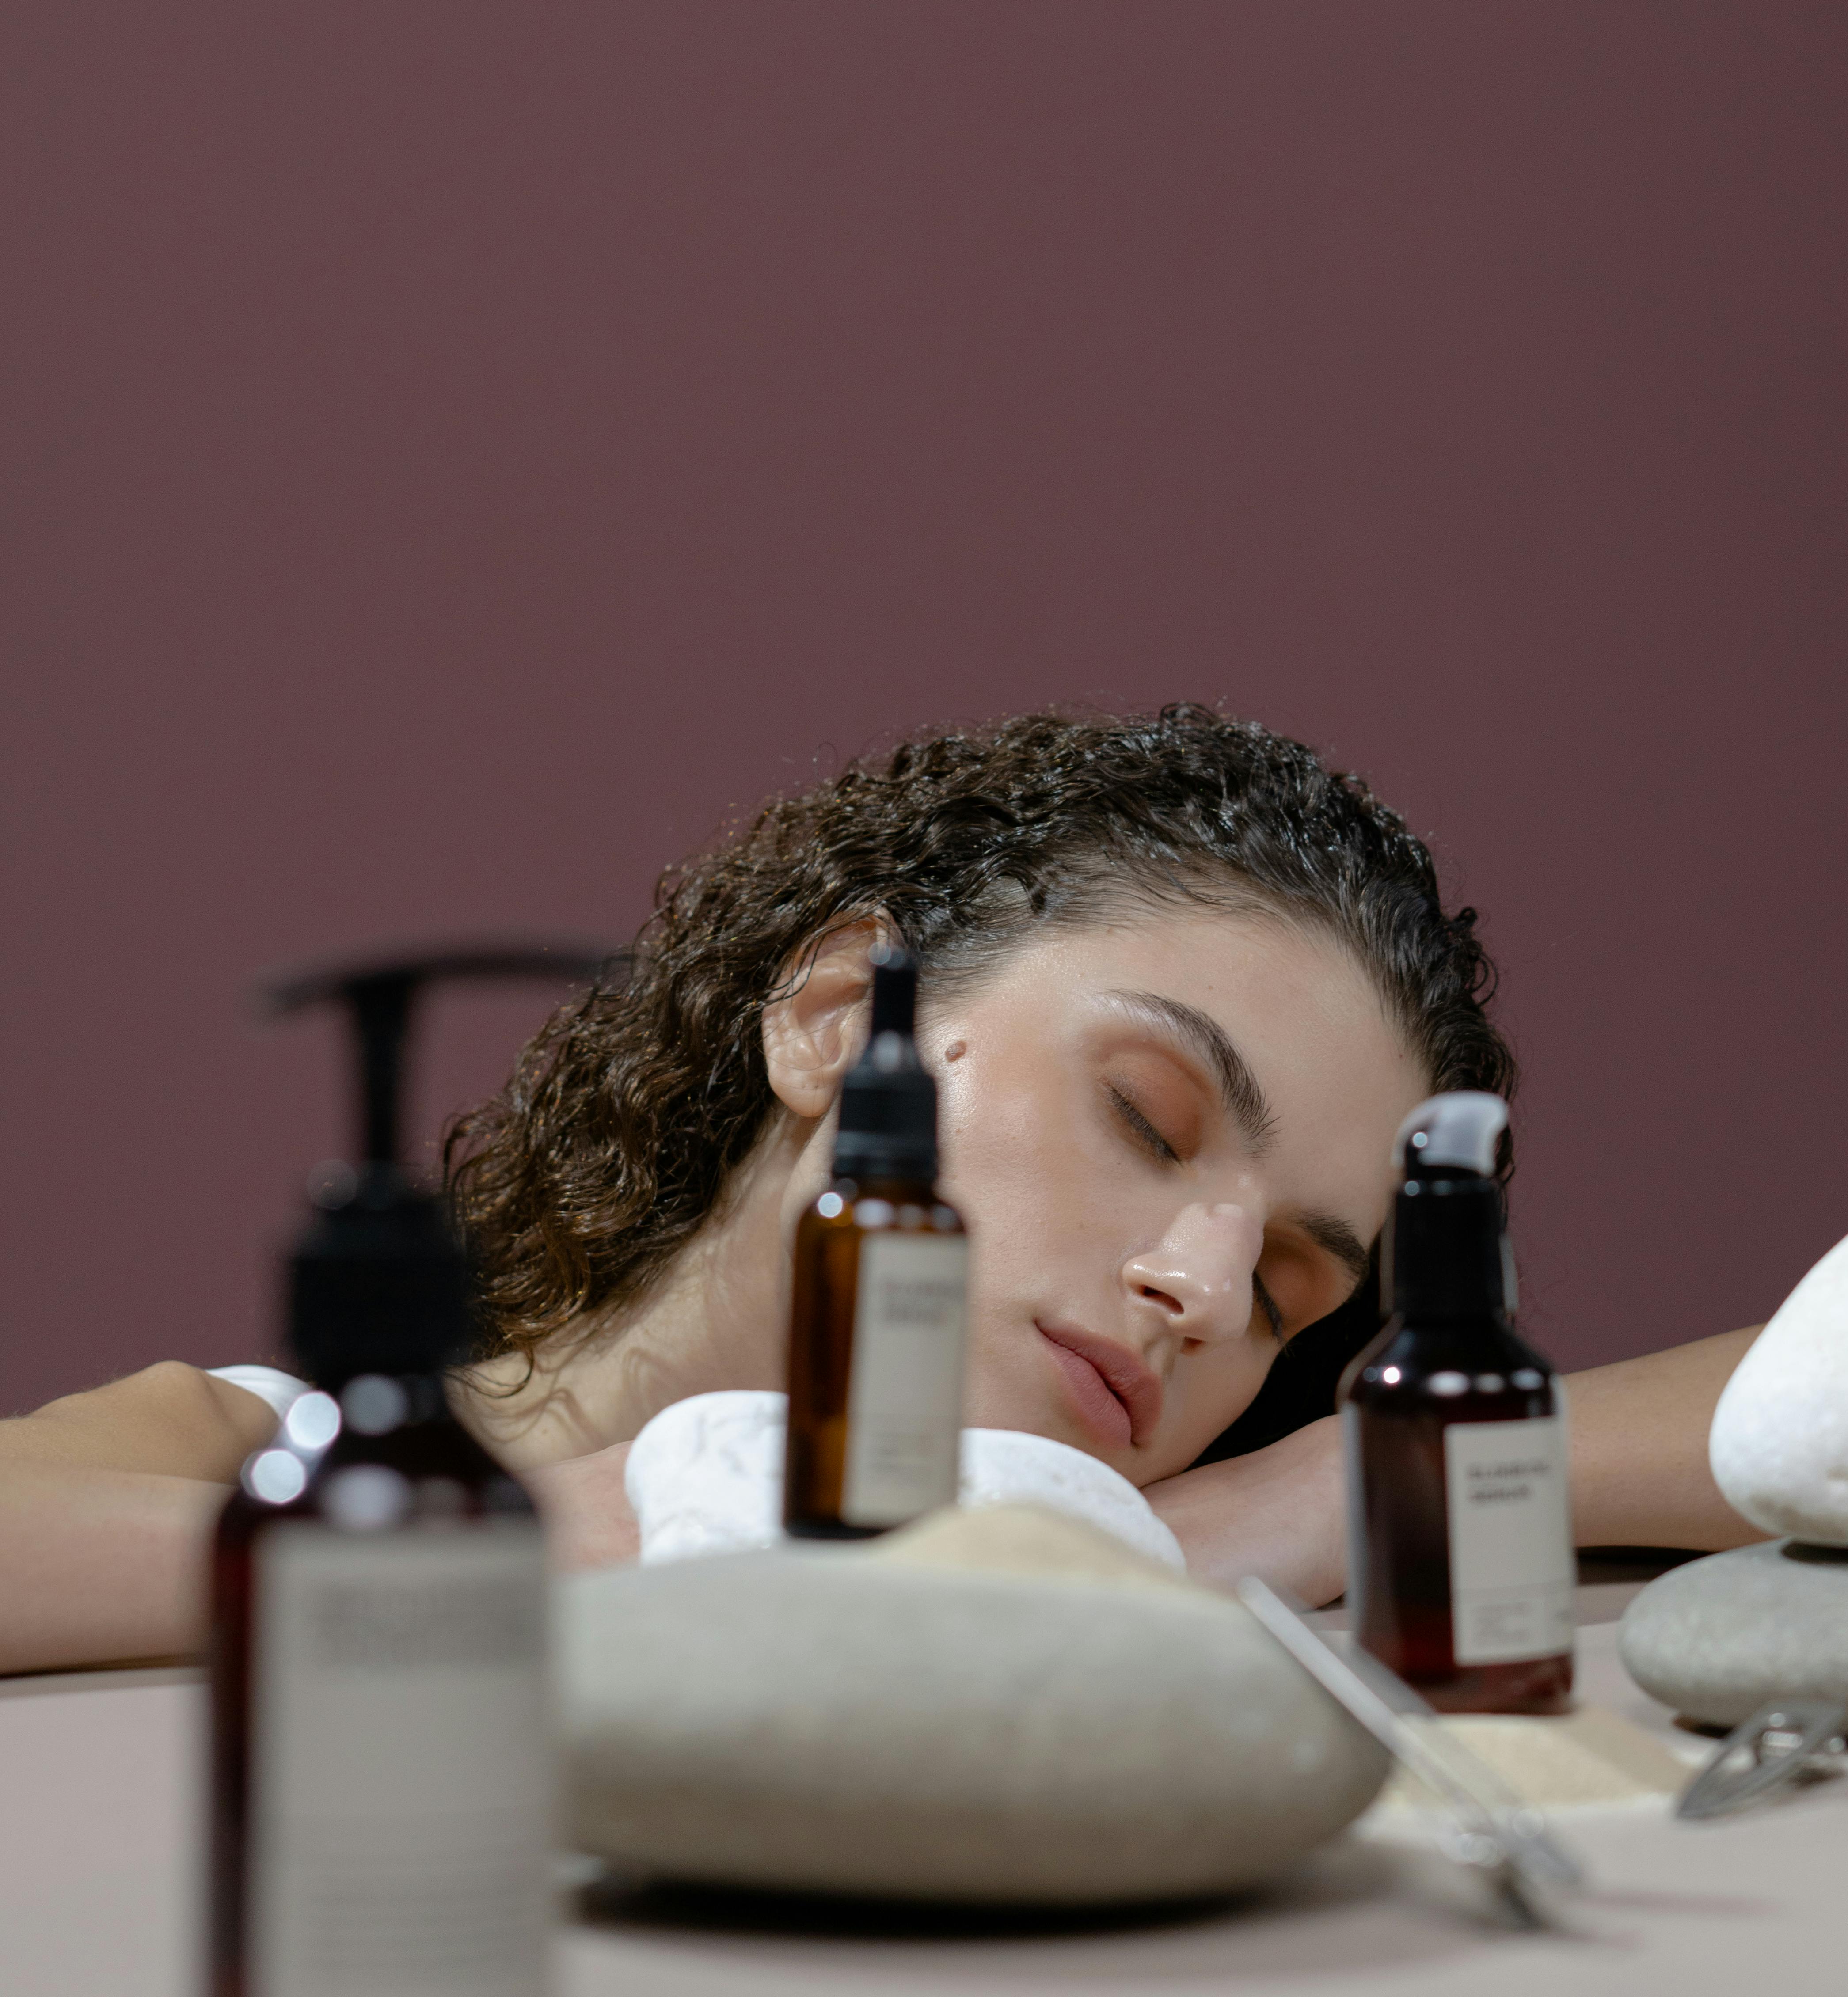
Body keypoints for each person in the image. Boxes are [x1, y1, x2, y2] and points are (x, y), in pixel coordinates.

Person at [0, 705, 1759, 1675]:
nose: (1207, 1292)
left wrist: (1303, 1489)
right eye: (1146, 1116)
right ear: (844, 1020)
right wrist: (626, 1525)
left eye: (1296, 1288)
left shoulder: (1147, 1563)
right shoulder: (302, 1450)